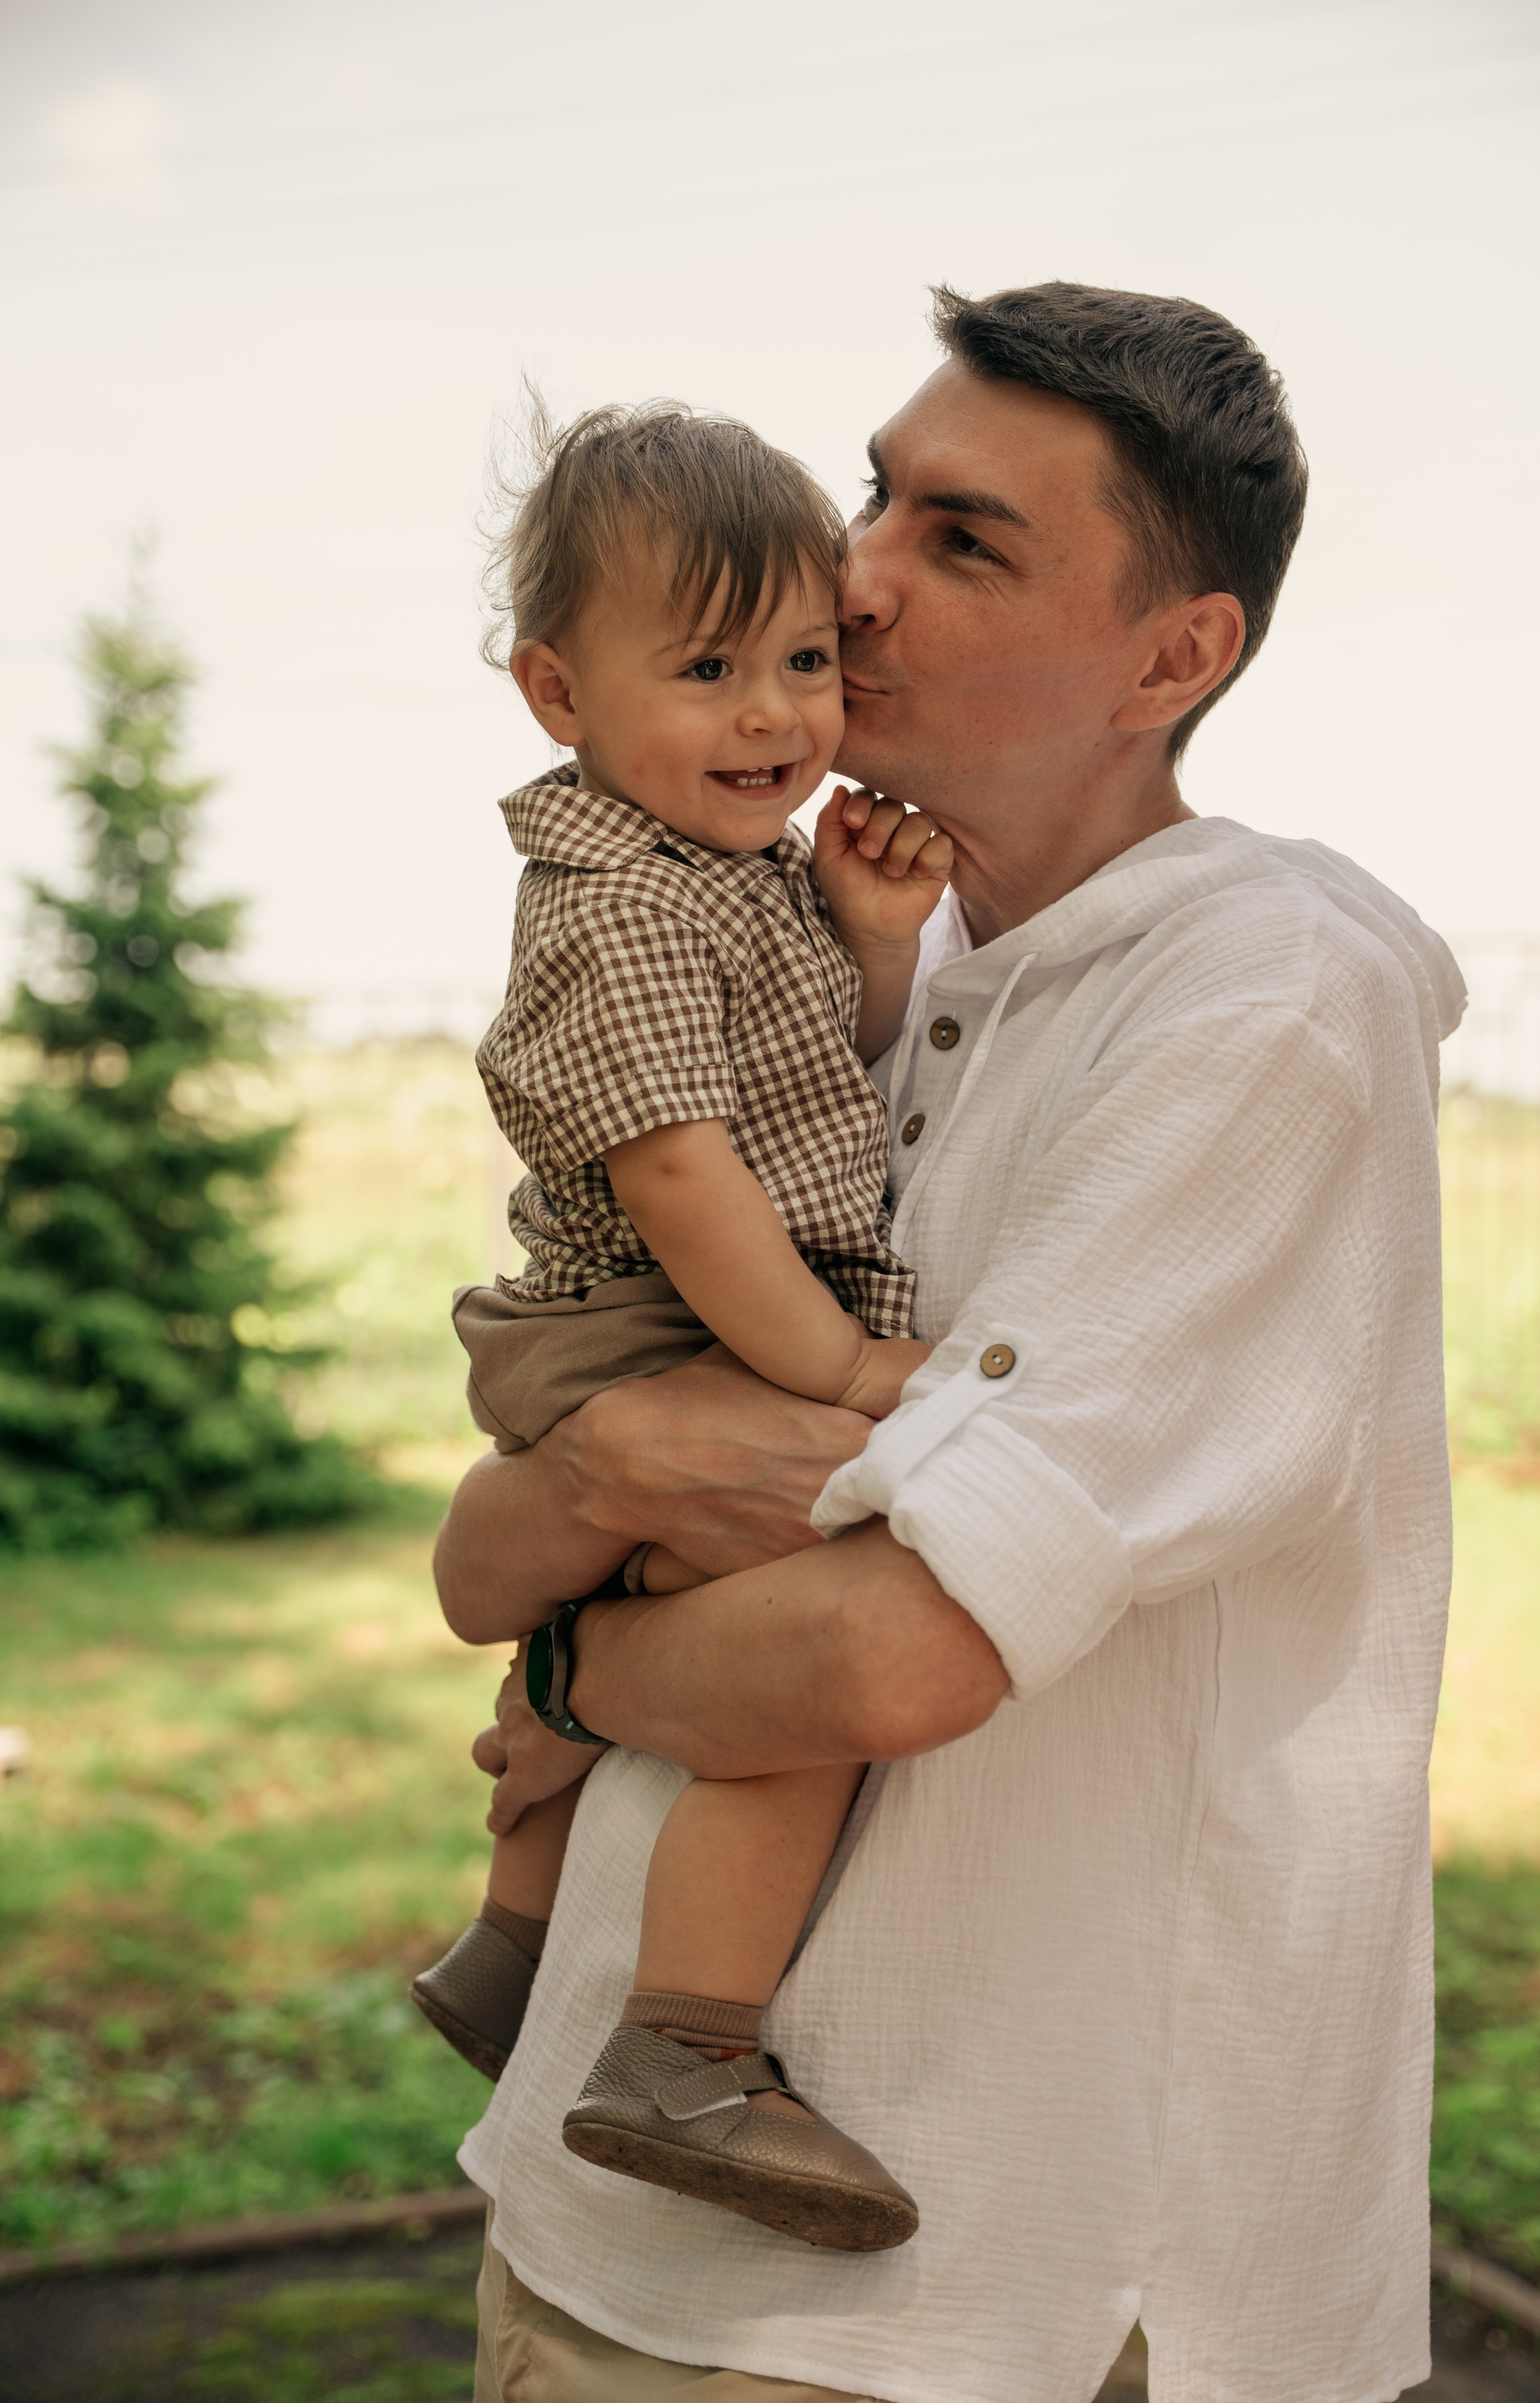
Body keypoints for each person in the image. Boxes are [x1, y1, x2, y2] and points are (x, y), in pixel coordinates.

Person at [435, 281, 1466, 2403]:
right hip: (566, 2233)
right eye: (876, 493)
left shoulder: (1260, 1000)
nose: (856, 569)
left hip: (817, 2321)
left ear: (1172, 658)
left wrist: (577, 1649)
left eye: (967, 539)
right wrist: (597, 1493)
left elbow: (891, 1650)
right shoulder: (869, 982)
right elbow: (481, 1543)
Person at [412, 399, 961, 2254]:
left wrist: (875, 948)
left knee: (670, 1615)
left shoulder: (727, 881)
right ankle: (690, 2048)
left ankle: (510, 1948)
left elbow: (811, 1100)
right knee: (785, 1677)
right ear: (558, 693)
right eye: (709, 665)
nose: (773, 716)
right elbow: (682, 1179)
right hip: (648, 1317)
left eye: (806, 660)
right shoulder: (622, 907)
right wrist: (830, 1368)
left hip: (680, 1311)